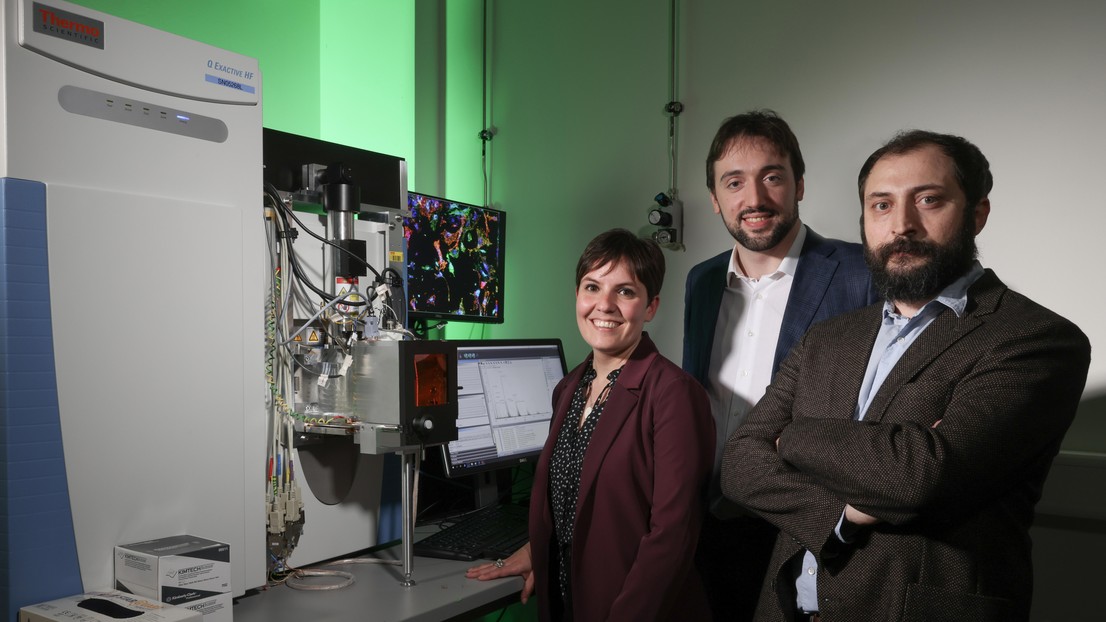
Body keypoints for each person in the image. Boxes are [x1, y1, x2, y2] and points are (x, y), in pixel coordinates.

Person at [721, 130, 1091, 621]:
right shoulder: (828, 338)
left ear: (977, 214)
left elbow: (920, 477)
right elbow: (739, 462)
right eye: (881, 205)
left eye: (929, 200)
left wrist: (791, 438)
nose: (902, 225)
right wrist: (841, 515)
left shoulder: (1036, 339)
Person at [683, 110, 876, 620]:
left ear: (799, 185)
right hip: (709, 525)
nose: (754, 198)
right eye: (734, 182)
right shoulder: (701, 281)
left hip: (806, 531)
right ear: (714, 197)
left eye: (772, 177)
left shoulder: (860, 273)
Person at [467, 228, 715, 621]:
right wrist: (539, 550)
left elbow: (673, 534)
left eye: (625, 291)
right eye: (592, 287)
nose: (605, 305)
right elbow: (572, 499)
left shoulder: (674, 394)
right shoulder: (568, 387)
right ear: (577, 295)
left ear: (650, 307)